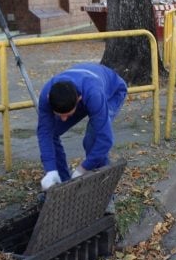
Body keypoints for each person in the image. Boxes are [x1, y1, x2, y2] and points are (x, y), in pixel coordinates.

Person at [37, 62, 128, 199]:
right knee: (52, 131)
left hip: (112, 92)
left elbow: (105, 140)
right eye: (59, 114)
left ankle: (105, 195)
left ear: (79, 100)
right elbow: (44, 132)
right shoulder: (46, 95)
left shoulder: (94, 94)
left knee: (93, 139)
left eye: (67, 114)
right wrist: (50, 169)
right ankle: (63, 185)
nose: (63, 119)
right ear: (49, 99)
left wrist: (83, 168)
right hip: (83, 90)